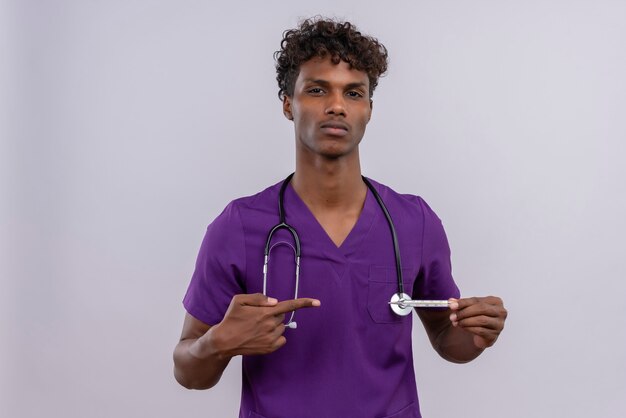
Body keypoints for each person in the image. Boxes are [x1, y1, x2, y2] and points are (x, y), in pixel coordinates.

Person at [173, 17, 507, 418]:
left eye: (353, 93)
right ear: (287, 103)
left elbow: (447, 339)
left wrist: (476, 335)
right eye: (317, 90)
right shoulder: (240, 226)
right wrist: (217, 343)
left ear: (368, 109)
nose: (336, 105)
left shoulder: (414, 222)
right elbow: (189, 372)